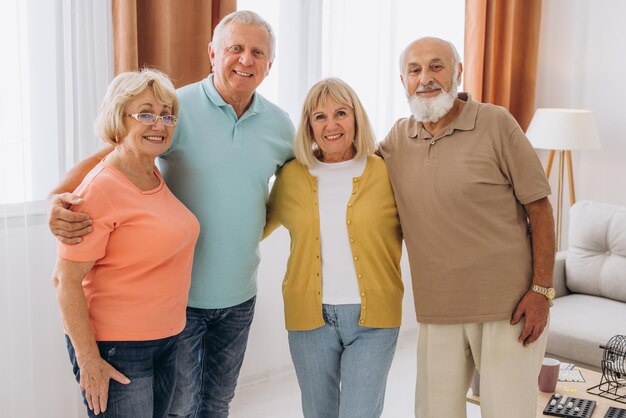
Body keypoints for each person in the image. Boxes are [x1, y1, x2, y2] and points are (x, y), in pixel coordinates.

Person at [47, 11, 295, 418]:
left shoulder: (281, 127)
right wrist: (54, 200)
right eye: (235, 48)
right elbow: (107, 160)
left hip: (239, 297)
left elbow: (301, 184)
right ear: (212, 52)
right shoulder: (175, 109)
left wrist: (252, 232)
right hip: (180, 302)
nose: (245, 60)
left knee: (217, 404)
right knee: (177, 410)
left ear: (270, 64)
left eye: (257, 52)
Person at [378, 37, 556, 418]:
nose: (426, 78)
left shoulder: (496, 122)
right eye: (415, 69)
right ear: (402, 80)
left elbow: (539, 208)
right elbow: (349, 167)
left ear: (458, 72)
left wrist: (542, 291)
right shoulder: (397, 139)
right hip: (437, 309)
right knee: (433, 413)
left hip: (509, 307)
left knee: (507, 413)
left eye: (437, 66)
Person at [52, 69, 200, 418]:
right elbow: (65, 280)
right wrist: (89, 360)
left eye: (166, 115)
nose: (159, 124)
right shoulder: (101, 187)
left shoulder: (151, 171)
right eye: (145, 113)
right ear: (120, 119)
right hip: (117, 347)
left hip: (166, 338)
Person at [264, 78, 404, 418]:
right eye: (320, 116)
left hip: (375, 320)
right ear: (309, 126)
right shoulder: (292, 176)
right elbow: (251, 230)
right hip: (309, 320)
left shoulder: (385, 172)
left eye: (341, 113)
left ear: (356, 118)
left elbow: (426, 229)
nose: (331, 125)